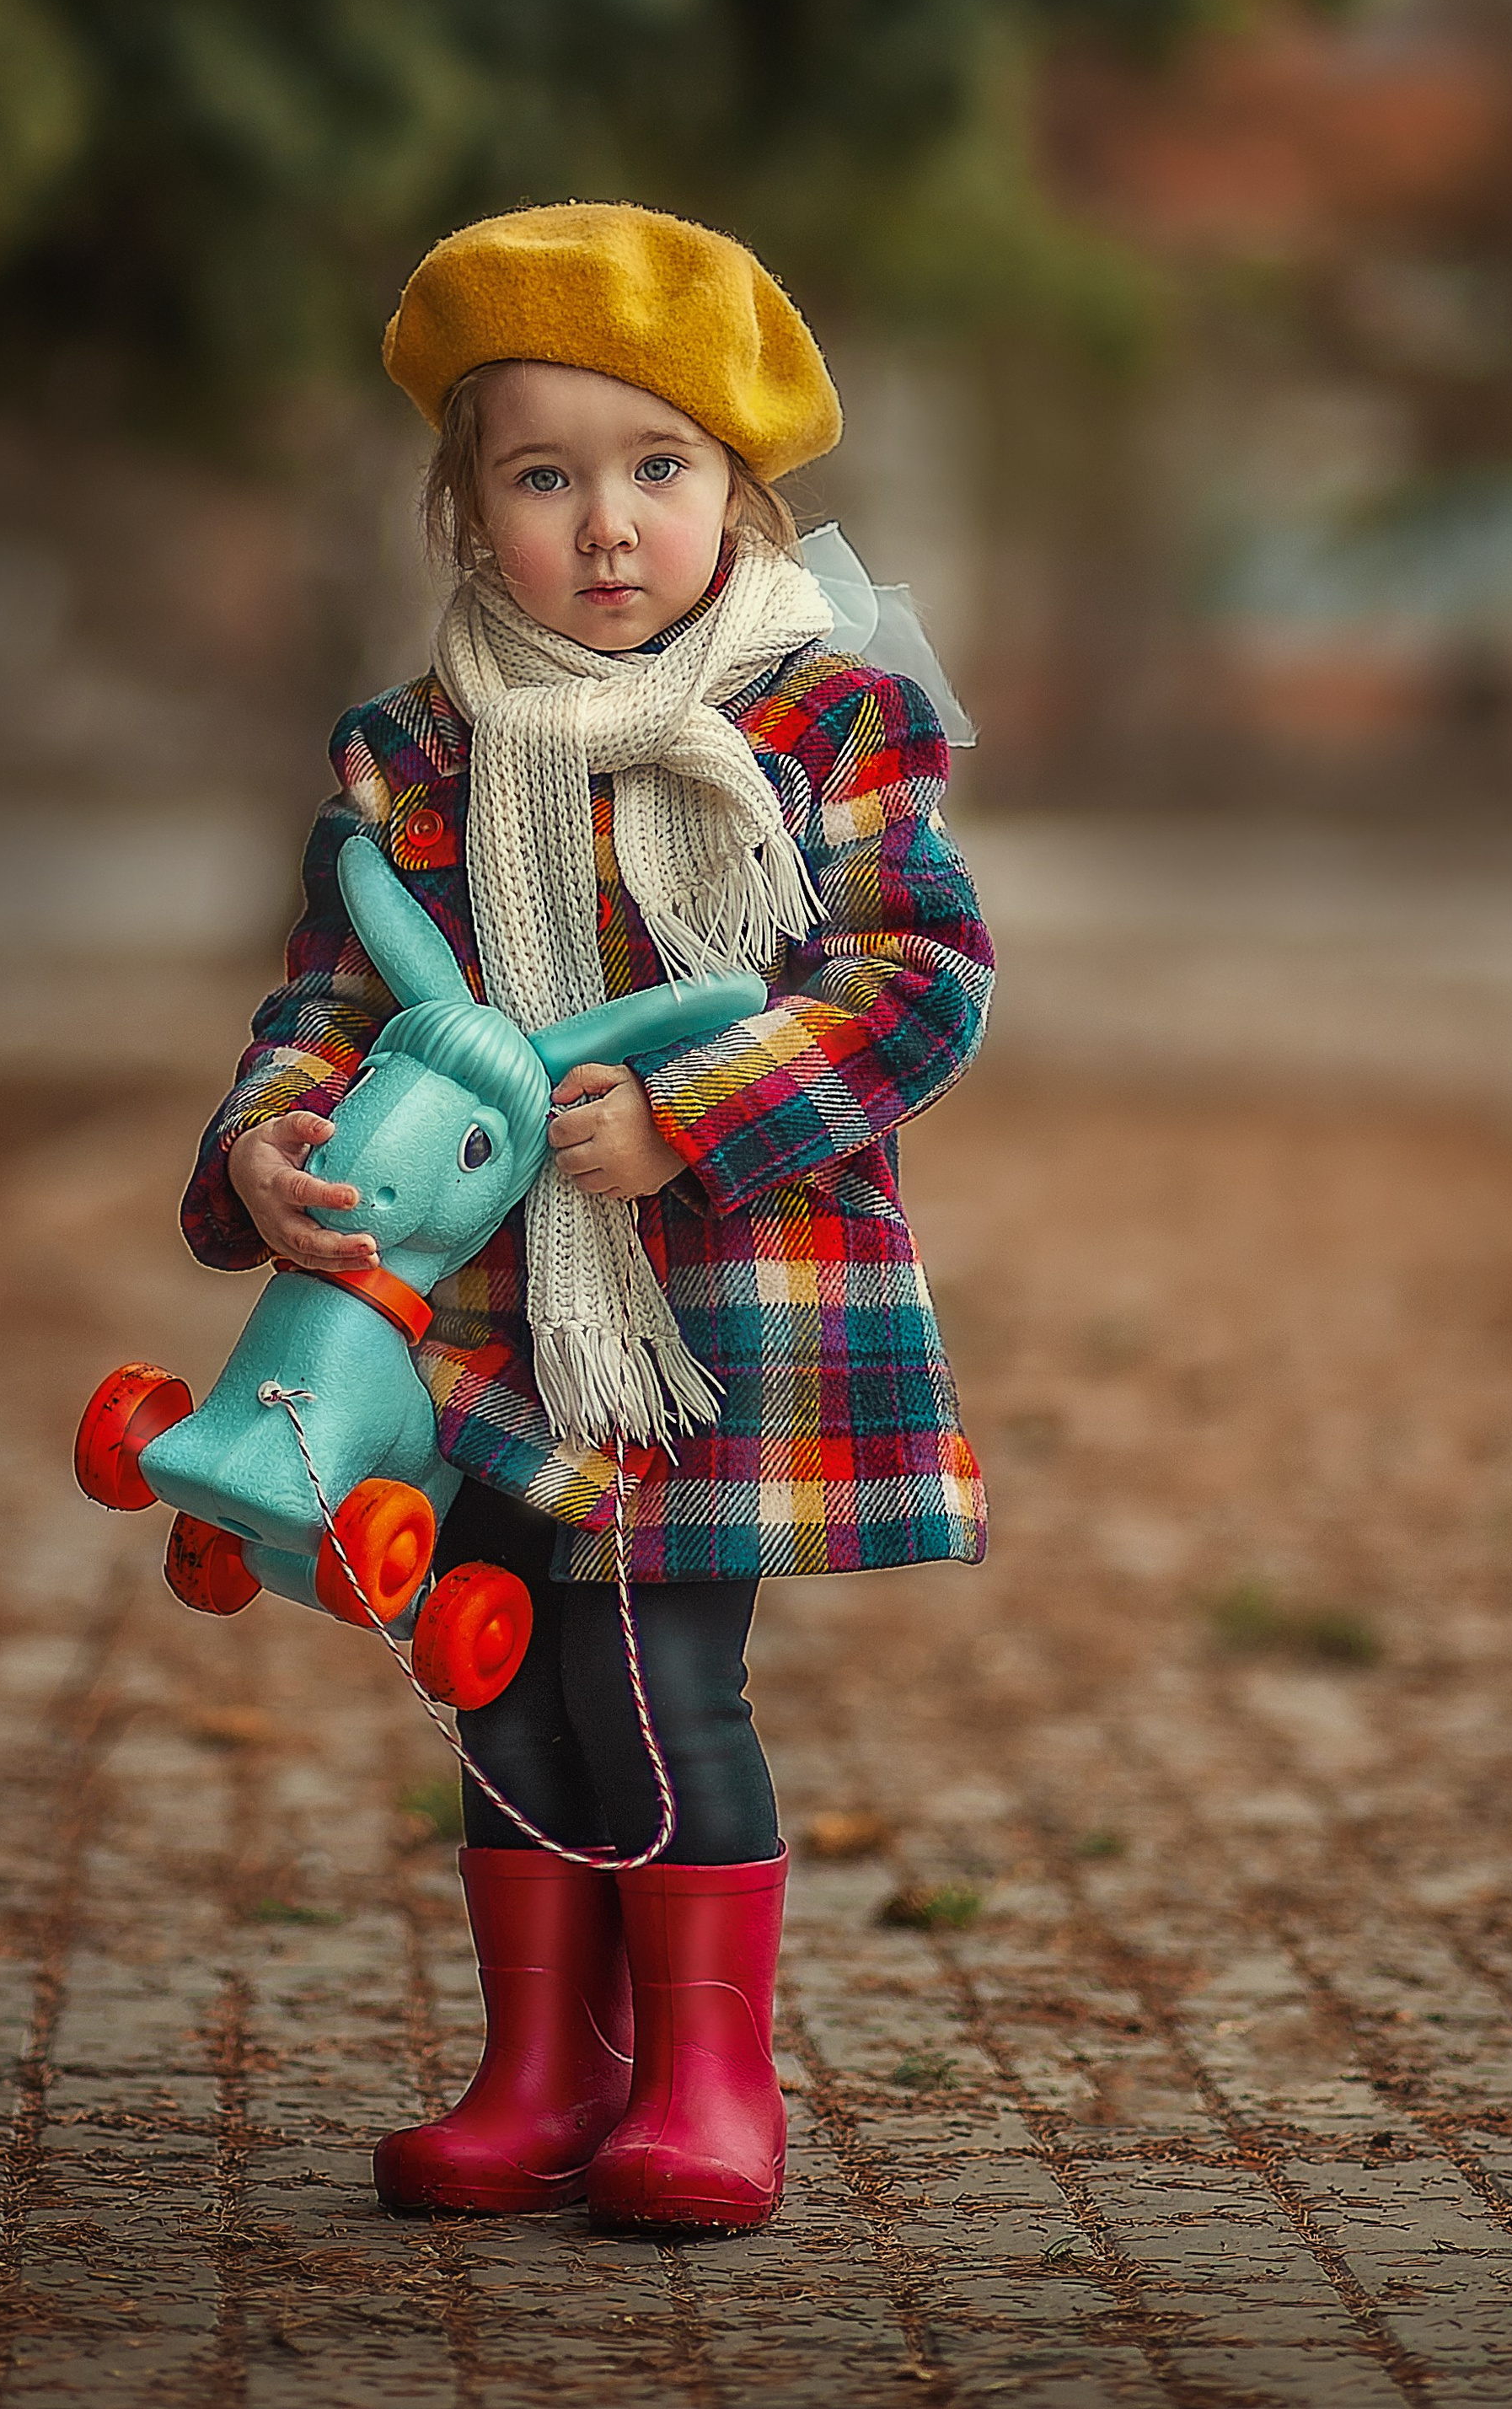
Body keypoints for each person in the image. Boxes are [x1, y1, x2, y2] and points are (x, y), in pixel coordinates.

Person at [180, 201, 993, 2235]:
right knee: (495, 1672)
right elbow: (328, 1005)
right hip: (461, 1314)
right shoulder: (412, 761)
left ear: (738, 491)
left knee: (651, 1672)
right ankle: (544, 2067)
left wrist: (693, 1115)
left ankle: (711, 2081)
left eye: (659, 469)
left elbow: (917, 982)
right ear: (467, 512)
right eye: (544, 477)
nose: (607, 525)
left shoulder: (825, 723)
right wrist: (277, 1144)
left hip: (716, 1295)